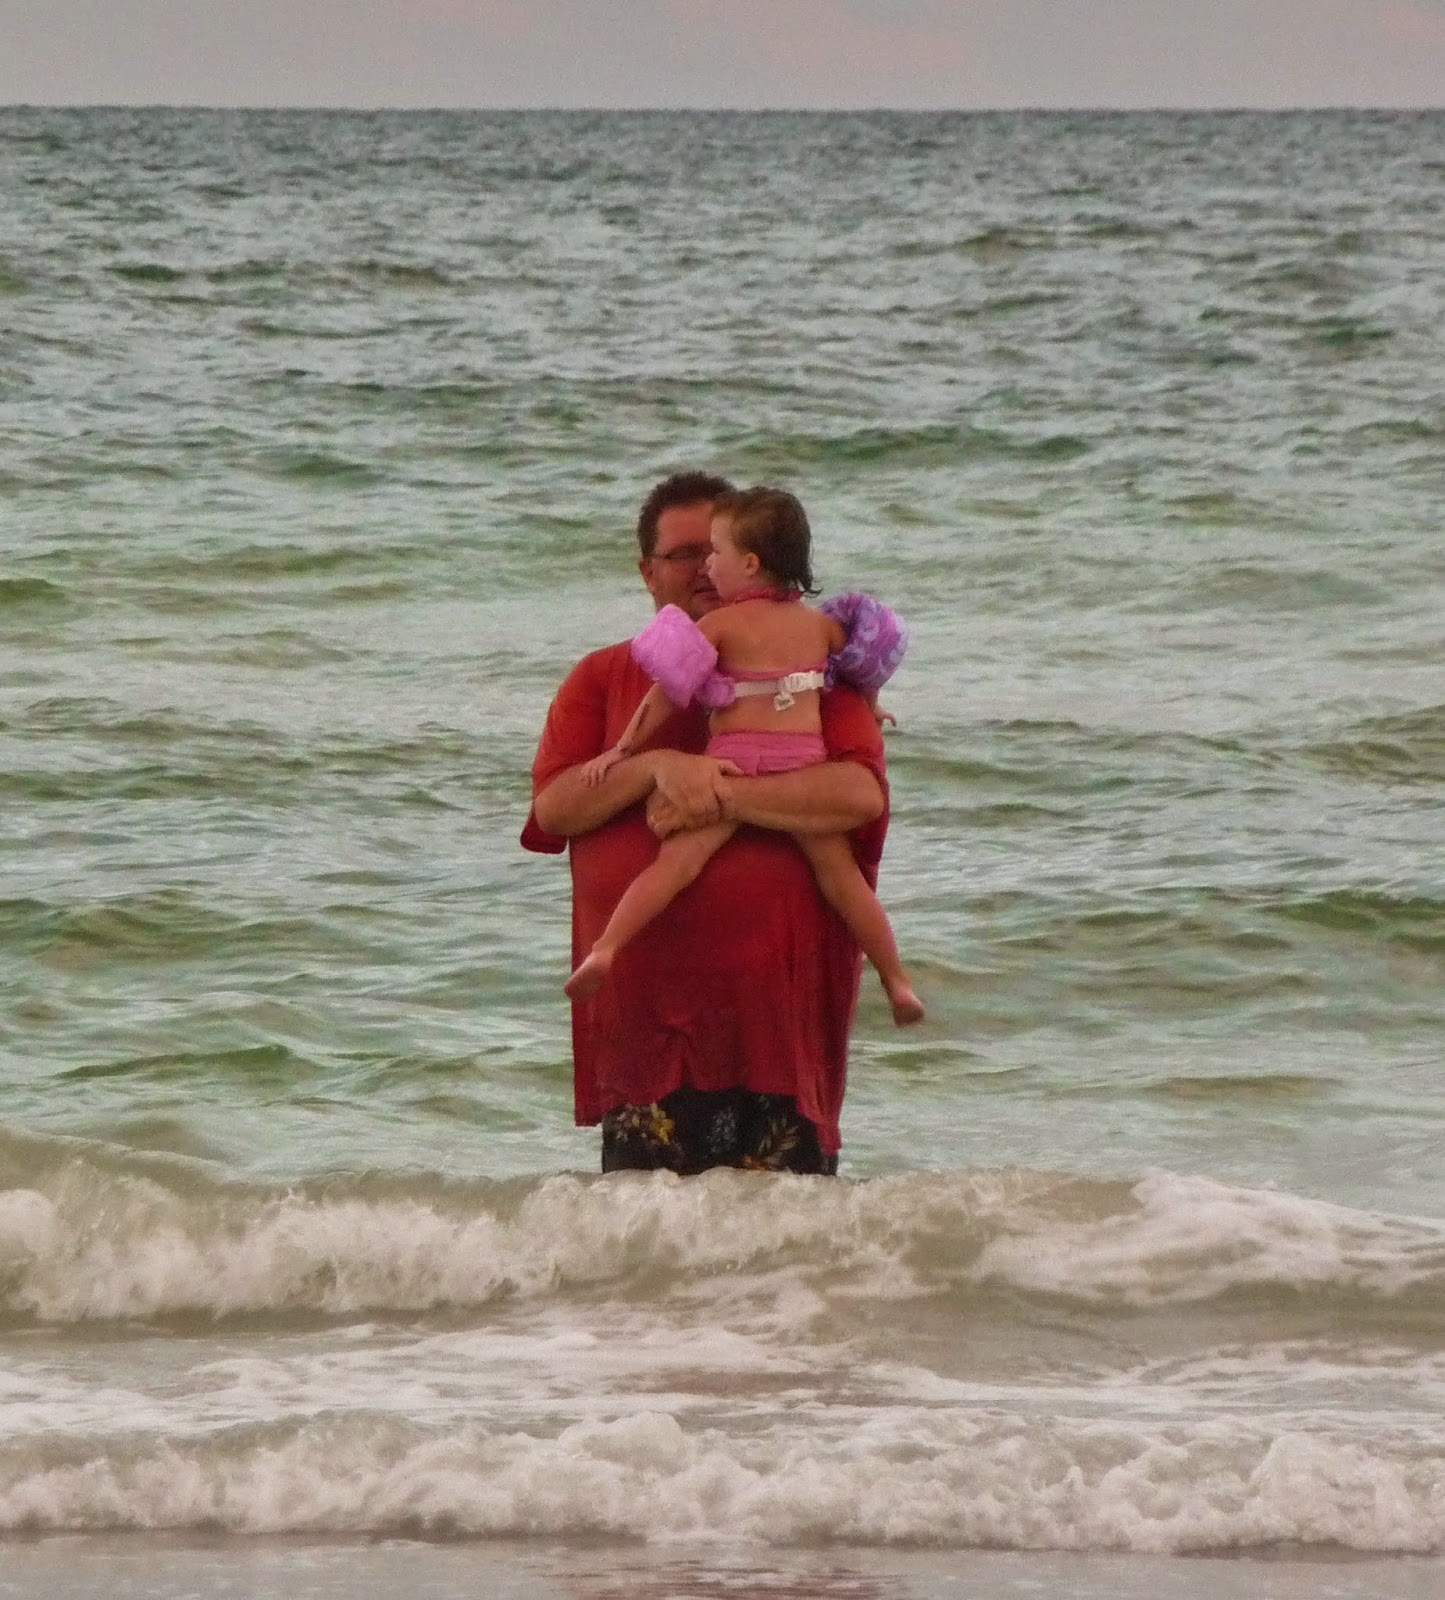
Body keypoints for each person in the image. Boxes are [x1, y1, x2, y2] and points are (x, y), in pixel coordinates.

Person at [520, 471, 891, 1176]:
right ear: (647, 573)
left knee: (792, 1237)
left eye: (713, 549)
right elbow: (555, 809)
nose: (703, 569)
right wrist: (657, 768)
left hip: (778, 1030)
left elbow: (858, 795)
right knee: (649, 1239)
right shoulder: (602, 677)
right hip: (646, 1032)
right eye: (683, 554)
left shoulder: (813, 675)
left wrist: (723, 796)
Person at [564, 486, 923, 1027]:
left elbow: (666, 695)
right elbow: (862, 669)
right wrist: (871, 710)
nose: (708, 567)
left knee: (675, 867)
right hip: (804, 762)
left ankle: (605, 949)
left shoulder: (721, 626)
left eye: (715, 552)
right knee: (844, 882)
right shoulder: (819, 626)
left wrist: (622, 747)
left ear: (750, 564)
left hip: (736, 761)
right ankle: (897, 982)